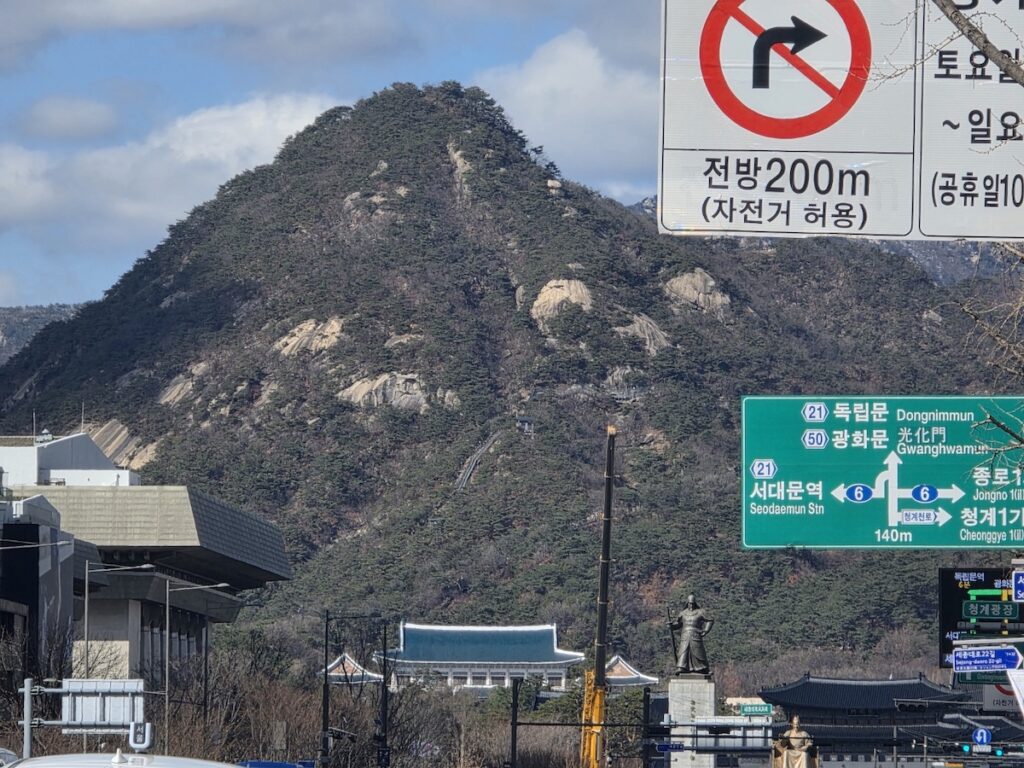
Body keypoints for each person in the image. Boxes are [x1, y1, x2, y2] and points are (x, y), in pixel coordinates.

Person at [668, 594, 714, 674]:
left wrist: (706, 630)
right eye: (689, 603)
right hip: (685, 635)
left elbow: (710, 620)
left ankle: (703, 668)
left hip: (696, 634)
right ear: (687, 603)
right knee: (683, 651)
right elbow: (678, 624)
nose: (691, 605)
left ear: (695, 603)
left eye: (692, 603)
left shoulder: (700, 612)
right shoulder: (683, 613)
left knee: (698, 652)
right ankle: (681, 667)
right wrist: (671, 626)